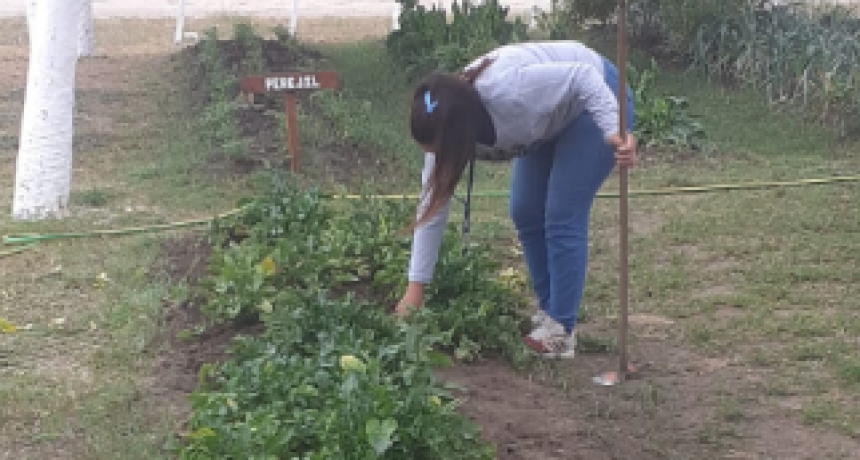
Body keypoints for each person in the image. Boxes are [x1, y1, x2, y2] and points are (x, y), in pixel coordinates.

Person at [394, 40, 637, 359]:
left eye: (439, 151)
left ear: (460, 135)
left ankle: (561, 330)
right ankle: (550, 312)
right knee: (524, 210)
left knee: (562, 213)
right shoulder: (444, 124)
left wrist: (612, 131)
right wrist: (416, 290)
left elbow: (582, 78)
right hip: (550, 119)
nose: (436, 158)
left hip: (596, 96)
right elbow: (432, 205)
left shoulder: (510, 93)